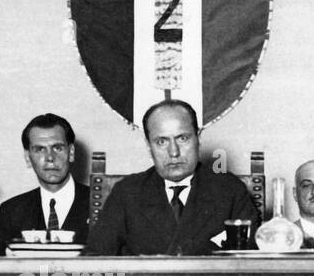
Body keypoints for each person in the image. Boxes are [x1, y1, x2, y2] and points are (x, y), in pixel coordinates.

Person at [85, 99, 258, 255]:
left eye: (182, 138)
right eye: (161, 141)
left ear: (198, 138)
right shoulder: (127, 193)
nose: (173, 152)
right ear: (148, 146)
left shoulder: (229, 190)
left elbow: (251, 267)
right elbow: (95, 259)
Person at [0, 113, 91, 243]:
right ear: (28, 158)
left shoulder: (102, 203)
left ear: (71, 153)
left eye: (57, 148)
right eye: (40, 149)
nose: (50, 158)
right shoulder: (11, 211)